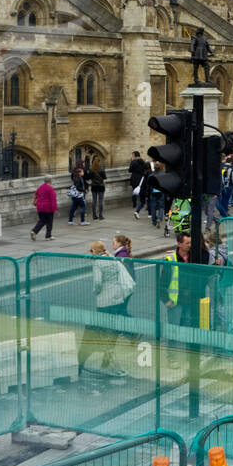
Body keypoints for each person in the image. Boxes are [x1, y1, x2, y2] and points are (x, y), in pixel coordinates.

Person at [79, 239, 134, 377]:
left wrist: (96, 292)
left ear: (95, 251)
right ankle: (106, 360)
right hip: (117, 299)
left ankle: (103, 359)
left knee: (103, 331)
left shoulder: (97, 262)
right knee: (113, 331)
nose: (90, 254)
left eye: (91, 251)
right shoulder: (113, 259)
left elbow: (97, 283)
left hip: (105, 301)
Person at [31, 176, 57, 241]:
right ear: (50, 181)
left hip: (40, 207)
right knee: (49, 222)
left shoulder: (40, 187)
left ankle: (34, 231)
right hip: (48, 208)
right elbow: (53, 199)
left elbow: (36, 195)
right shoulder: (50, 189)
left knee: (42, 220)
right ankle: (48, 236)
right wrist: (54, 209)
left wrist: (34, 202)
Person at [128, 152, 148, 217]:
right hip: (141, 179)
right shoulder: (143, 162)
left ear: (135, 155)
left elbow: (130, 170)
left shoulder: (133, 162)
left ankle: (134, 204)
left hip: (134, 179)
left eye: (132, 155)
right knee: (142, 192)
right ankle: (142, 203)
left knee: (134, 192)